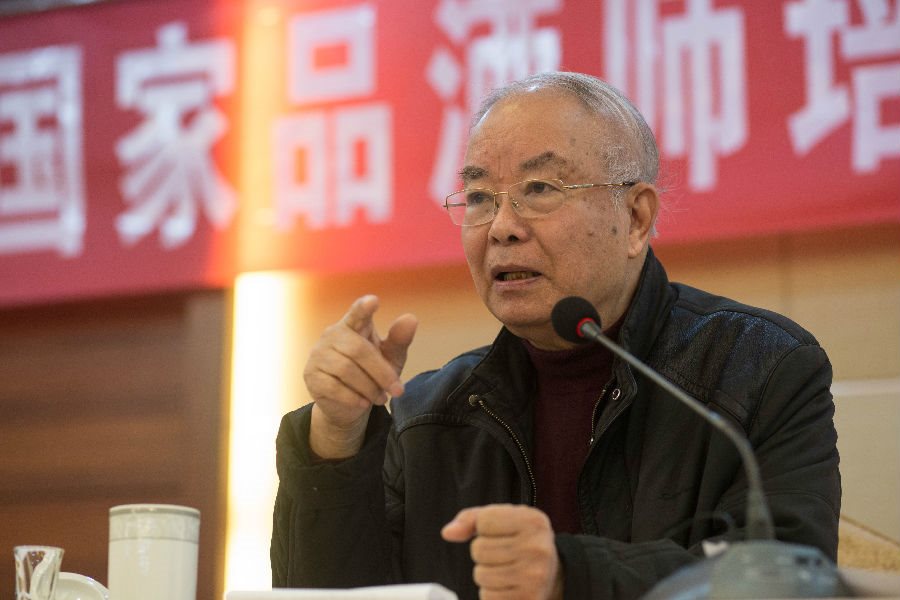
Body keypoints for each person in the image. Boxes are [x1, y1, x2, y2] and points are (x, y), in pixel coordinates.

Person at [270, 71, 841, 599]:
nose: (502, 227)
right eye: (479, 197)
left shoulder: (760, 369)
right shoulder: (424, 418)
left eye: (540, 188)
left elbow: (788, 578)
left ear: (636, 219)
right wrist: (336, 438)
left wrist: (570, 574)